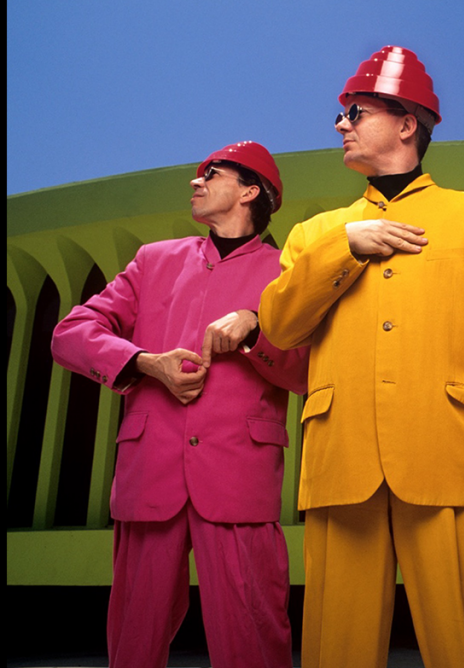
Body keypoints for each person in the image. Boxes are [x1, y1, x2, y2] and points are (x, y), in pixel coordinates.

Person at [258, 45, 464, 668]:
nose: (340, 124)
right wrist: (345, 247)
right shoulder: (315, 234)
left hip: (451, 454)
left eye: (355, 112)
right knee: (335, 650)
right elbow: (280, 326)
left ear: (408, 124)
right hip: (341, 455)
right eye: (341, 114)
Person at [51, 141, 308, 668]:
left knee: (254, 635)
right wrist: (145, 362)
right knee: (134, 640)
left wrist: (254, 329)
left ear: (251, 191)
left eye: (211, 174)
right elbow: (69, 334)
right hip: (151, 472)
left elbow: (305, 372)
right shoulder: (154, 260)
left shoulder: (288, 274)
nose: (196, 181)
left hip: (239, 476)